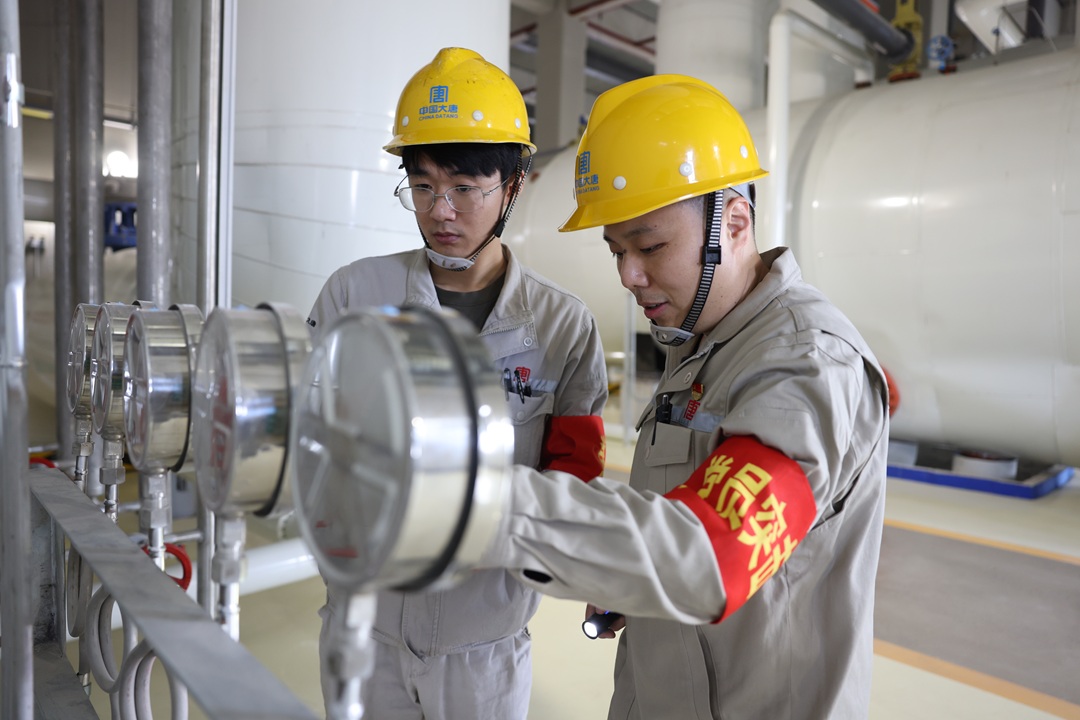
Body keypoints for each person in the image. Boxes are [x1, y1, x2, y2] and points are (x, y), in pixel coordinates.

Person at [479, 74, 890, 719]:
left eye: (650, 246)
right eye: (616, 250)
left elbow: (713, 557)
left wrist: (471, 502)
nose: (628, 275)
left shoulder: (805, 364)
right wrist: (626, 574)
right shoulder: (698, 345)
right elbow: (678, 518)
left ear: (734, 222)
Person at [307, 47, 608, 719]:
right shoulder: (354, 295)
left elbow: (573, 476)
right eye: (422, 186)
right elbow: (312, 442)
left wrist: (579, 563)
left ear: (513, 185)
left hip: (485, 646)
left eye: (465, 188)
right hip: (365, 630)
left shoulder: (562, 326)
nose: (440, 211)